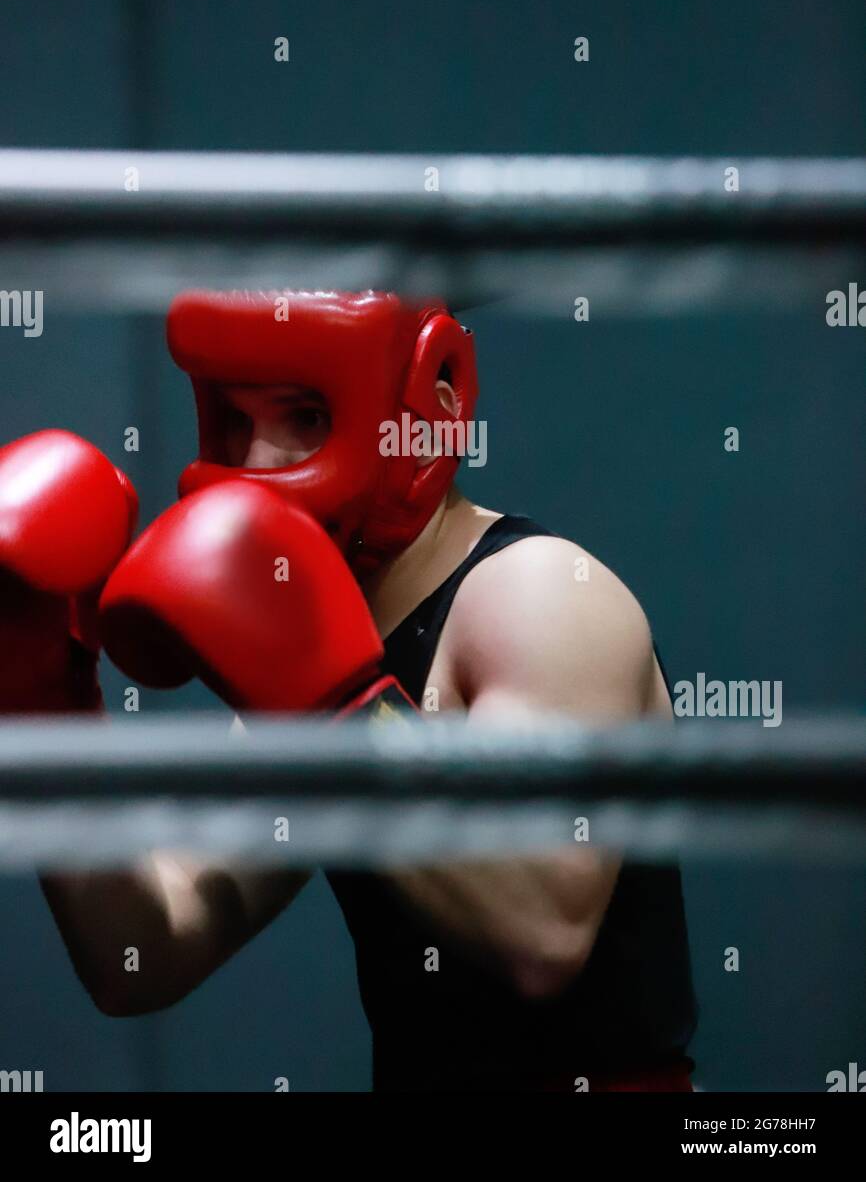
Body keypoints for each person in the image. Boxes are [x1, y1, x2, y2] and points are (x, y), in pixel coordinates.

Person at [2, 289, 697, 1092]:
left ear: (430, 411)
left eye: (303, 416)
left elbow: (541, 931)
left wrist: (341, 711)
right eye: (236, 419)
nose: (259, 464)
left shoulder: (540, 593)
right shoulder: (309, 649)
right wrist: (51, 705)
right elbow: (143, 957)